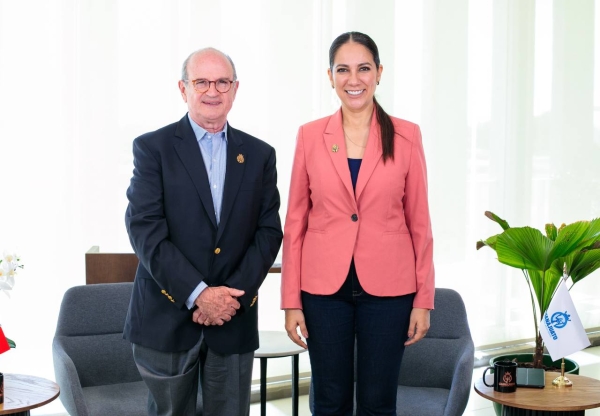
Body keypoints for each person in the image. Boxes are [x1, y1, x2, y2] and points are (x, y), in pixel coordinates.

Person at [281, 32, 435, 415]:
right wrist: (290, 301)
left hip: (390, 289)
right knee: (329, 398)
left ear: (379, 73)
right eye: (343, 70)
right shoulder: (310, 135)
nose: (354, 79)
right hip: (322, 289)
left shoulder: (407, 135)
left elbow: (420, 223)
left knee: (378, 400)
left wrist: (424, 300)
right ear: (330, 76)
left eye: (364, 68)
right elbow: (296, 222)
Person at [124, 47, 283, 416]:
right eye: (201, 82)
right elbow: (145, 230)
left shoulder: (260, 154)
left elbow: (268, 231)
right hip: (166, 318)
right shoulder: (153, 149)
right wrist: (198, 294)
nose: (213, 91)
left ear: (235, 89)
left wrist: (227, 301)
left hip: (233, 318)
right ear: (183, 89)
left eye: (222, 82)